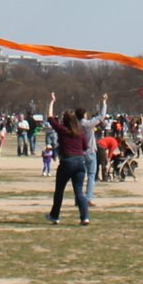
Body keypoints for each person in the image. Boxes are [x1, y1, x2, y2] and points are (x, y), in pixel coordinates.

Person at [44, 94, 91, 225]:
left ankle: (55, 215)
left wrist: (52, 102)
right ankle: (85, 217)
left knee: (59, 191)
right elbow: (85, 147)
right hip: (79, 163)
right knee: (79, 192)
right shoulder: (80, 133)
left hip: (67, 162)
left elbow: (50, 118)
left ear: (64, 120)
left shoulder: (63, 130)